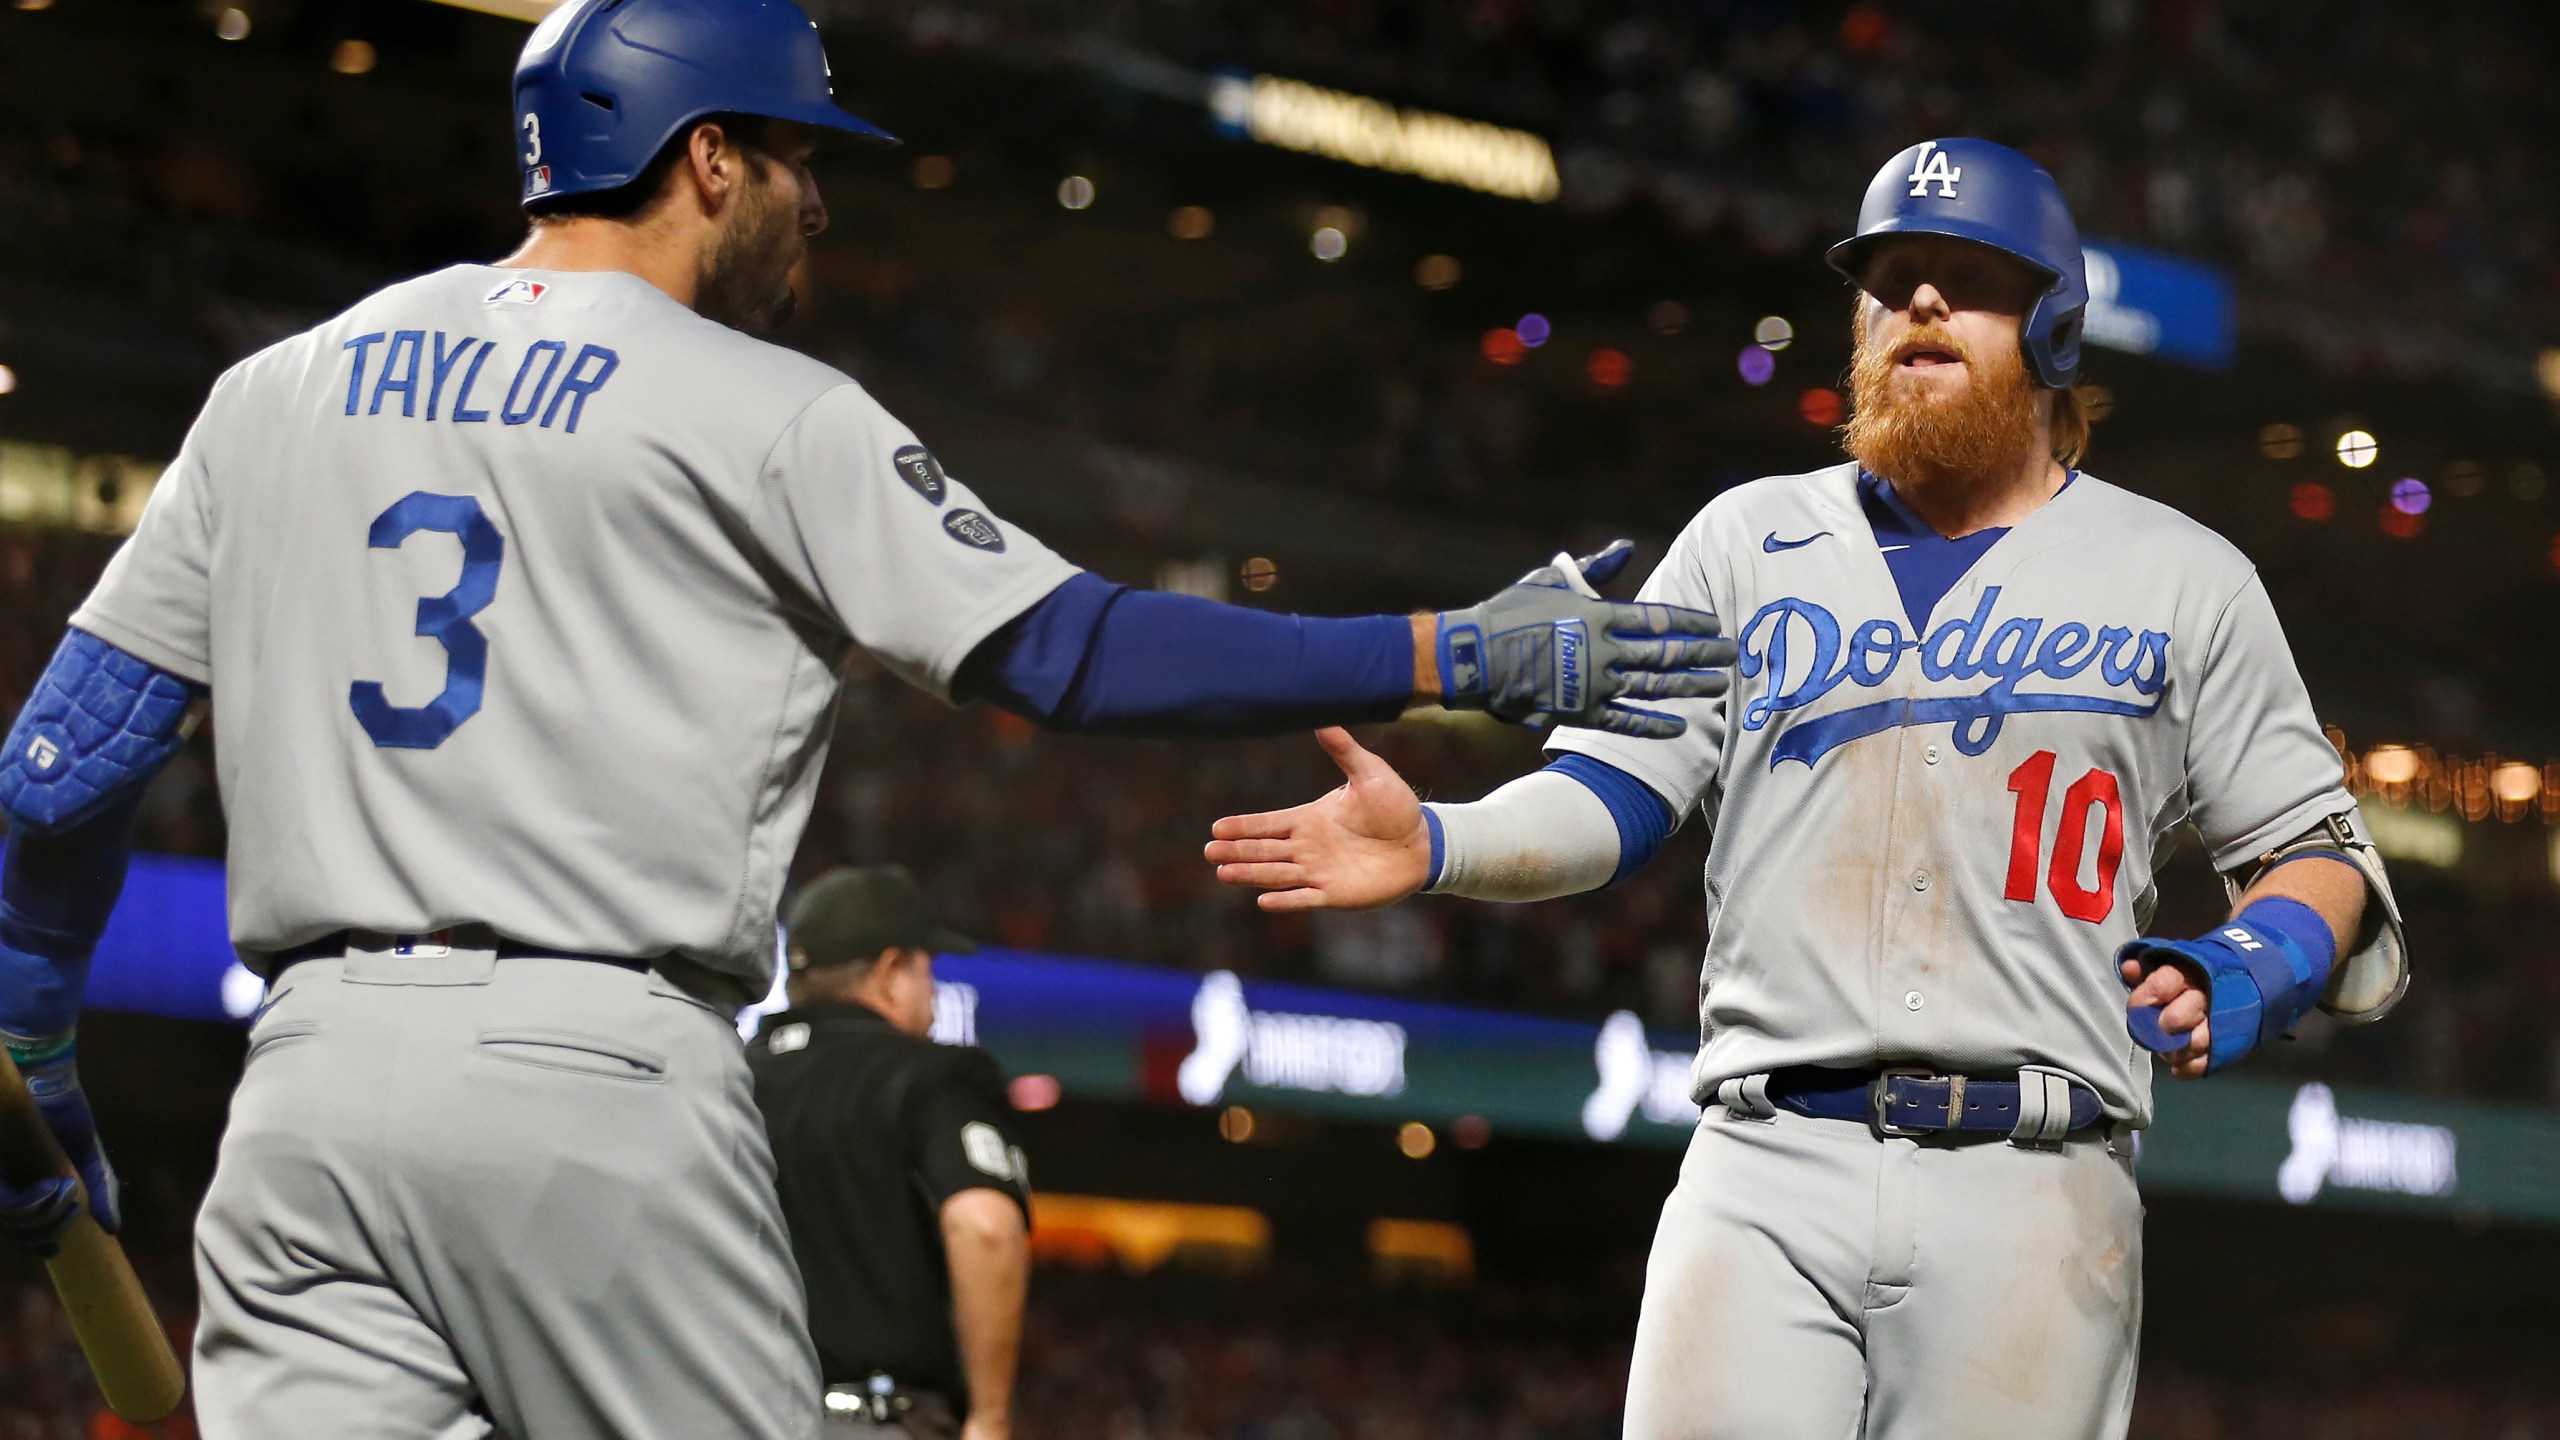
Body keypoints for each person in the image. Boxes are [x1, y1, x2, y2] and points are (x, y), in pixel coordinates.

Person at [0, 2, 1737, 1436]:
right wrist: (1447, 650)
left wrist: (38, 1057)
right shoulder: (762, 407)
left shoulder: (274, 389)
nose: (815, 204)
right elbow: (1076, 654)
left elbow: (59, 770)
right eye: (798, 158)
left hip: (306, 1091)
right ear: (708, 157)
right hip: (595, 1080)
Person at [1204, 138, 2409, 1439]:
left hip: (2036, 1186)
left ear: (2057, 328)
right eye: (1890, 281)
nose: (1920, 302)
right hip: (1765, 1161)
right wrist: (1442, 840)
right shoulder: (1744, 538)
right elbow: (1613, 791)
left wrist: (2258, 960)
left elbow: (2316, 849)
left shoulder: (2186, 577)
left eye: (1967, 277)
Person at [749, 866, 1026, 1440]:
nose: (934, 993)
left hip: (733, 1414)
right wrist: (991, 1418)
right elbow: (985, 1228)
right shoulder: (932, 1076)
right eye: (928, 970)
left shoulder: (732, 1077)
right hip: (876, 1421)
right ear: (892, 972)